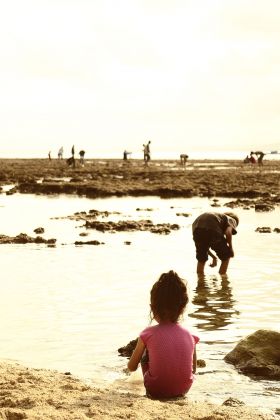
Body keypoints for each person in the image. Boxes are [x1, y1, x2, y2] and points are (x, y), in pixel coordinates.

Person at [127, 270, 199, 399]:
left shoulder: (147, 334)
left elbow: (131, 367)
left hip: (155, 389)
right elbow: (193, 370)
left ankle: (155, 382)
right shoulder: (191, 336)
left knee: (147, 347)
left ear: (153, 308)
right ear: (182, 308)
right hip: (184, 389)